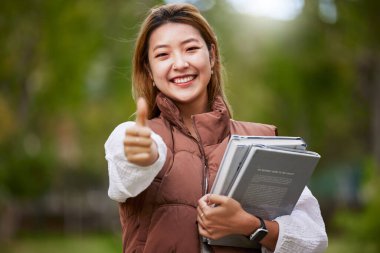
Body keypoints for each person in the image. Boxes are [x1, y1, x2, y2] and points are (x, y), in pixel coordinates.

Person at [105, 3, 328, 253]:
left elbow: (313, 240)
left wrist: (250, 225)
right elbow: (124, 172)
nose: (179, 63)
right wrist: (145, 158)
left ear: (211, 56)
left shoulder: (262, 140)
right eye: (163, 55)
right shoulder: (134, 137)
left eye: (190, 49)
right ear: (149, 69)